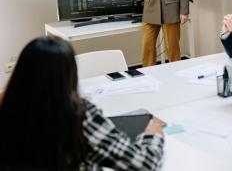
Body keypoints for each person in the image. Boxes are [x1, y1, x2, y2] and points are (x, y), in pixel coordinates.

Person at [0, 36, 165, 171]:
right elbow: (145, 165)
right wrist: (153, 135)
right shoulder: (79, 117)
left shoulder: (8, 110)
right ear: (69, 75)